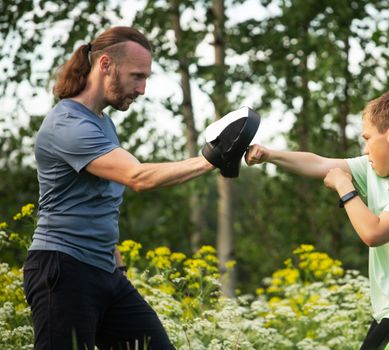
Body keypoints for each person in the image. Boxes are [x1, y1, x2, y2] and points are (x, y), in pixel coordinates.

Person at [23, 26, 244, 350]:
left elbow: (97, 200)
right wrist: (212, 158)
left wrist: (117, 261)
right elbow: (137, 177)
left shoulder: (103, 123)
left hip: (105, 272)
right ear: (105, 65)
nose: (141, 89)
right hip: (63, 270)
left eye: (146, 79)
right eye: (137, 76)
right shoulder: (67, 124)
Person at [245, 89, 389, 350]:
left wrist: (345, 188)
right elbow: (320, 164)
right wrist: (270, 155)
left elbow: (373, 233)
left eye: (367, 138)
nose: (365, 148)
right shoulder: (376, 170)